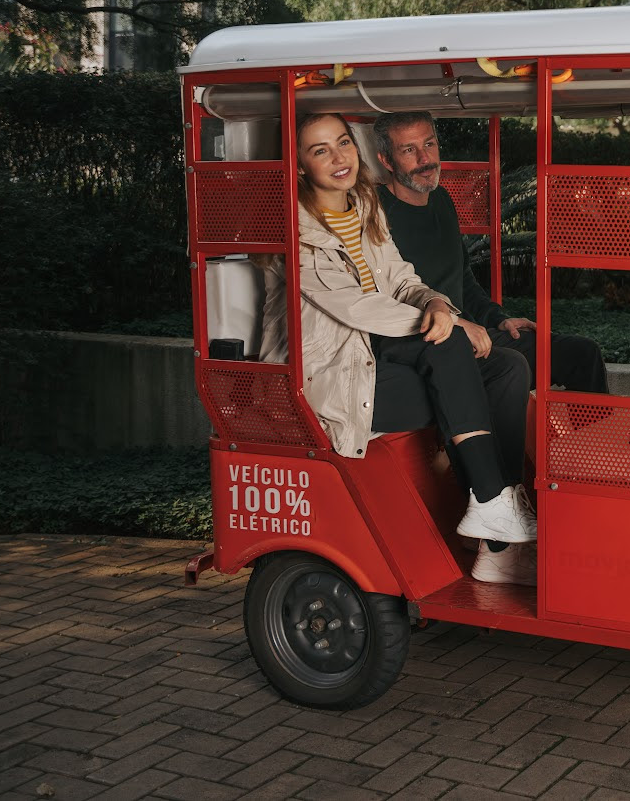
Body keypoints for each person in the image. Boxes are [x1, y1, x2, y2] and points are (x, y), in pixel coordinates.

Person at [260, 112, 537, 585]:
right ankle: (494, 520)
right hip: (332, 374)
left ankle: (494, 522)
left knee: (507, 367)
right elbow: (355, 307)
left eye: (343, 143)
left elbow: (401, 278)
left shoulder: (364, 208)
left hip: (383, 356)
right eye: (319, 150)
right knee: (447, 347)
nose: (338, 157)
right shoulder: (290, 229)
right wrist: (445, 320)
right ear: (301, 165)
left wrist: (433, 302)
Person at [372, 111, 609, 394]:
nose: (425, 159)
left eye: (430, 144)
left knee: (582, 354)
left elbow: (463, 280)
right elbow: (385, 299)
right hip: (426, 342)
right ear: (386, 160)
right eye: (409, 150)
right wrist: (458, 327)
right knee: (511, 365)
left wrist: (498, 319)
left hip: (469, 332)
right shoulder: (374, 210)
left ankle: (592, 439)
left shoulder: (442, 199)